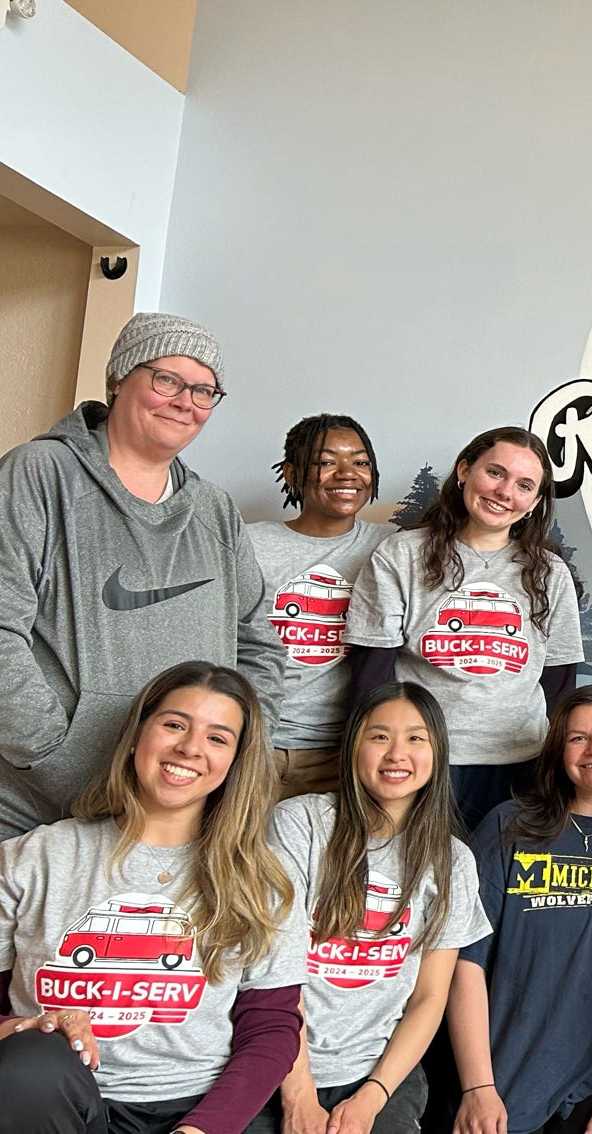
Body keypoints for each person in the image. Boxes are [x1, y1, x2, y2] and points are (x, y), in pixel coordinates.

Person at [0, 313, 285, 838]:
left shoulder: (215, 511)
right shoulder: (39, 474)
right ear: (118, 379)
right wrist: (50, 752)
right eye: (167, 380)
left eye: (204, 391)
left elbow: (260, 647)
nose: (185, 402)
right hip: (38, 807)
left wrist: (232, 751)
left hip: (175, 816)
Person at [0, 660, 307, 1134]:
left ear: (234, 762)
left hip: (195, 1109)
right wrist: (14, 1029)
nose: (189, 748)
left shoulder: (260, 876)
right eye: (174, 725)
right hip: (55, 1101)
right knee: (29, 1062)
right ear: (139, 733)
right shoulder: (35, 856)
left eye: (217, 738)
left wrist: (203, 1129)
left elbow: (270, 1028)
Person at [267, 682, 490, 1134]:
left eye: (416, 738)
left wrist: (372, 1097)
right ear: (354, 745)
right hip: (276, 1062)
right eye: (380, 736)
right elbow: (274, 973)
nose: (396, 754)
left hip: (380, 1072)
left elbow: (430, 997)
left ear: (437, 753)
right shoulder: (301, 823)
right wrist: (299, 1094)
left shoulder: (452, 860)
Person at [450, 683, 592, 1134]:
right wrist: (477, 1087)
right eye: (577, 738)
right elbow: (464, 962)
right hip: (503, 1083)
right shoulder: (508, 826)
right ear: (557, 749)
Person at [346, 426, 583, 831]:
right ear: (463, 471)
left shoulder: (550, 573)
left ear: (534, 502)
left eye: (524, 485)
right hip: (425, 762)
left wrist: (554, 771)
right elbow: (373, 675)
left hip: (521, 763)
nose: (505, 491)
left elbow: (560, 683)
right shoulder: (402, 554)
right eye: (495, 472)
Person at [248, 414, 395, 797]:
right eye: (327, 462)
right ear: (292, 475)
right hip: (255, 746)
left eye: (361, 463)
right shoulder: (250, 544)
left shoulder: (394, 548)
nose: (347, 474)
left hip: (343, 753)